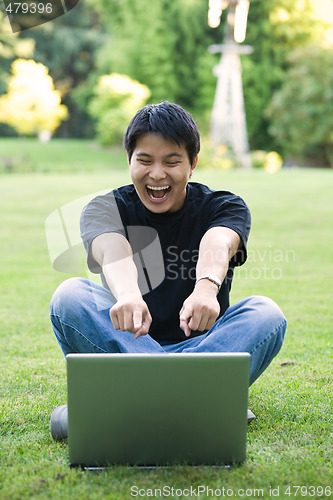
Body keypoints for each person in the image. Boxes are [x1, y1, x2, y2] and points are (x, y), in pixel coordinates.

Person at [49, 101, 287, 440]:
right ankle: (200, 402)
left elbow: (218, 243)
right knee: (69, 296)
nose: (157, 174)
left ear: (193, 164)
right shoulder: (104, 208)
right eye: (144, 160)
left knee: (266, 313)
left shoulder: (223, 205)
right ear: (129, 161)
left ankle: (132, 406)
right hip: (127, 349)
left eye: (171, 162)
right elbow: (112, 249)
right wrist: (129, 295)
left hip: (203, 353)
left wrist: (206, 287)